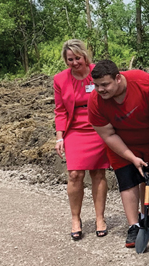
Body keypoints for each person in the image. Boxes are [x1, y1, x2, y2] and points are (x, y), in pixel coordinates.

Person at [88, 60, 149, 248]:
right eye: (96, 85)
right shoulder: (95, 102)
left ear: (118, 78)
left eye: (105, 85)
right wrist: (131, 157)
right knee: (127, 180)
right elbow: (108, 134)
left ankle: (146, 216)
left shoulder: (143, 82)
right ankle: (134, 226)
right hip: (121, 144)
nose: (100, 90)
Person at [53, 39, 109, 240]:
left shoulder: (98, 72)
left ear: (85, 56)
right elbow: (60, 110)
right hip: (75, 129)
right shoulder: (60, 80)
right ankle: (75, 218)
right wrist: (60, 137)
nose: (75, 63)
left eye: (78, 58)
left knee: (98, 172)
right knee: (75, 174)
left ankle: (99, 217)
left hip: (99, 127)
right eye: (70, 59)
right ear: (65, 60)